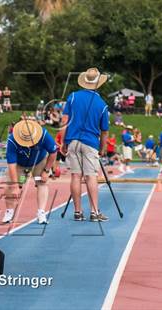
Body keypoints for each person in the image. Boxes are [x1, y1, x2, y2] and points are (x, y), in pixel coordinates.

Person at [60, 67, 109, 222]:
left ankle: (78, 212)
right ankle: (94, 212)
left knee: (75, 175)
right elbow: (104, 131)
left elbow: (64, 121)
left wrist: (63, 140)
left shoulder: (73, 97)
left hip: (73, 140)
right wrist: (102, 148)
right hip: (90, 142)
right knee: (91, 176)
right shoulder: (102, 104)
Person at [2, 120, 56, 224]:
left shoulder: (44, 135)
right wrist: (15, 186)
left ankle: (41, 212)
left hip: (39, 161)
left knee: (42, 183)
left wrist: (46, 170)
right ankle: (9, 211)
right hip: (20, 164)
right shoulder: (12, 140)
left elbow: (53, 152)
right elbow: (11, 164)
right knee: (10, 185)